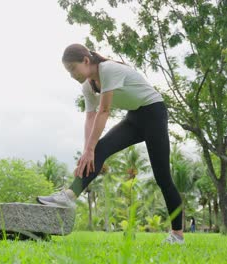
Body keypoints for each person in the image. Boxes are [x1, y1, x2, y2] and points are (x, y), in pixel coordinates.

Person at [37, 43, 184, 244]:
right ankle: (69, 196)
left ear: (86, 61)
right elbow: (90, 117)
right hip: (135, 117)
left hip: (154, 114)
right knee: (99, 149)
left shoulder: (108, 70)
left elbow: (104, 111)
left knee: (162, 177)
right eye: (68, 72)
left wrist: (90, 149)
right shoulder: (87, 86)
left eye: (73, 69)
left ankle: (177, 234)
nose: (72, 75)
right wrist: (87, 150)